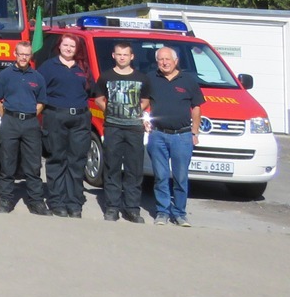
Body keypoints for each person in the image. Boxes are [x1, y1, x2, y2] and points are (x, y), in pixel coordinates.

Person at [145, 47, 204, 227]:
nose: (164, 62)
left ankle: (179, 213)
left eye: (167, 59)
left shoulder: (188, 80)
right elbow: (142, 102)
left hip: (182, 136)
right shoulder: (151, 79)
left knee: (180, 176)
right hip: (158, 135)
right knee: (161, 176)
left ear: (176, 61)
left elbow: (196, 107)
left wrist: (194, 131)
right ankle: (162, 212)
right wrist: (142, 120)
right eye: (161, 59)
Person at [93, 41, 150, 223]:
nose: (122, 57)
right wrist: (108, 110)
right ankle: (112, 207)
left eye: (125, 54)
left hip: (134, 128)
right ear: (114, 56)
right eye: (119, 54)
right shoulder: (106, 77)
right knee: (112, 167)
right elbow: (99, 99)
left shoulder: (142, 78)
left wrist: (134, 112)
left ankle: (132, 208)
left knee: (134, 169)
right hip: (113, 127)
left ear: (132, 57)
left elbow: (146, 100)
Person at [0, 41, 50, 215]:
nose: (23, 57)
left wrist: (31, 114)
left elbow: (41, 102)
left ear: (30, 56)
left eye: (27, 54)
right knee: (8, 164)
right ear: (15, 54)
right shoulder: (5, 75)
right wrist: (7, 116)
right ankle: (6, 199)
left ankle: (36, 201)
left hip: (31, 123)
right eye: (20, 54)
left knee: (33, 165)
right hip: (10, 121)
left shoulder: (37, 77)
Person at [39, 33, 94, 217]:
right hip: (55, 116)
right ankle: (57, 201)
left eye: (72, 46)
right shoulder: (48, 67)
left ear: (77, 49)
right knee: (57, 159)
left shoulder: (83, 67)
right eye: (66, 45)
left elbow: (91, 90)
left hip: (80, 119)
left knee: (77, 161)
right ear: (59, 46)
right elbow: (38, 90)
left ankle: (74, 201)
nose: (69, 49)